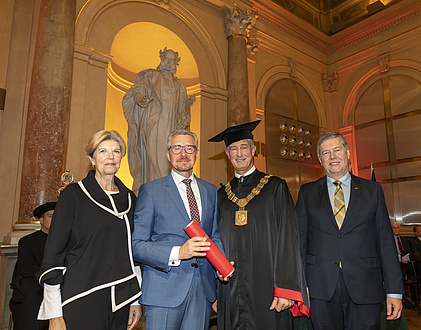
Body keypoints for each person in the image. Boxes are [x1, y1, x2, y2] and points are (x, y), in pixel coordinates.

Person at [208, 121, 310, 329]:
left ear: (254, 150)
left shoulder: (275, 187)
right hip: (231, 288)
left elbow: (288, 239)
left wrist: (285, 289)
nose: (239, 153)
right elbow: (213, 242)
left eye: (244, 147)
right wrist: (215, 291)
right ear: (227, 154)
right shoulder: (219, 196)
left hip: (269, 287)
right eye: (233, 149)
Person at [296, 131, 403, 329]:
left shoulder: (373, 191)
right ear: (320, 160)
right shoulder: (306, 193)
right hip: (321, 288)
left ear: (347, 153)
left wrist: (394, 292)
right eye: (326, 153)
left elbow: (385, 242)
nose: (332, 156)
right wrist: (303, 287)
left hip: (365, 285)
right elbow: (299, 243)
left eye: (337, 150)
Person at [37, 130, 142, 330]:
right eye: (102, 151)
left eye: (116, 151)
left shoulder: (130, 199)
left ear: (121, 158)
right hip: (82, 296)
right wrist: (54, 314)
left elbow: (131, 254)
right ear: (91, 159)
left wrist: (134, 299)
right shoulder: (73, 195)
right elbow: (53, 255)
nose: (110, 156)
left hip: (121, 298)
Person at [132, 129, 229, 329]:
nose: (183, 153)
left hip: (202, 290)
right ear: (168, 154)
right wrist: (179, 252)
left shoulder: (210, 190)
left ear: (196, 153)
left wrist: (221, 266)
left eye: (189, 148)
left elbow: (213, 237)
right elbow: (137, 246)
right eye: (177, 148)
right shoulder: (150, 191)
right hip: (163, 289)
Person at [123, 47, 191, 193]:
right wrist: (140, 98)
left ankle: (169, 194)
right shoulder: (151, 76)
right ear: (161, 59)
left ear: (176, 63)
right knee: (153, 160)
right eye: (166, 59)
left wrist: (185, 119)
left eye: (172, 60)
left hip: (172, 131)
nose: (169, 62)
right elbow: (138, 90)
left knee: (171, 160)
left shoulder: (179, 85)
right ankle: (152, 193)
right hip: (153, 128)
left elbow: (183, 110)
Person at [10, 202, 56, 330]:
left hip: (59, 280)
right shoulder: (27, 241)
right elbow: (26, 268)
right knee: (33, 299)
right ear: (41, 220)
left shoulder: (67, 241)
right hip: (34, 280)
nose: (55, 219)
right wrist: (48, 275)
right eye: (51, 216)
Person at [391, 222, 416, 309]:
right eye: (394, 228)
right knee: (400, 271)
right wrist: (400, 260)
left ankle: (414, 296)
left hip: (406, 263)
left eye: (398, 227)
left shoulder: (404, 240)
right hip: (395, 263)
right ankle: (403, 299)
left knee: (414, 270)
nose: (396, 229)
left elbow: (409, 252)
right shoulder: (388, 240)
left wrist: (409, 258)